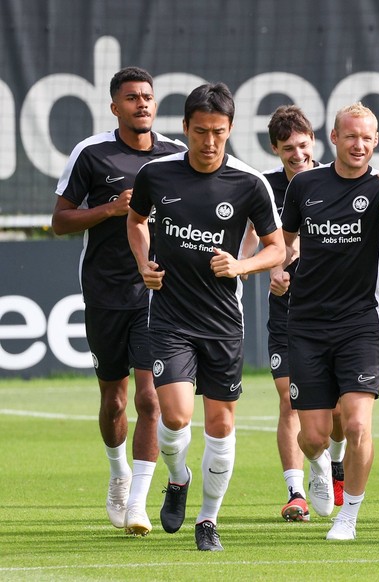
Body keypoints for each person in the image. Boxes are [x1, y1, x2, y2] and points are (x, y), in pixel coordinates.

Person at [127, 82, 285, 551]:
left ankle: (208, 520)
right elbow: (136, 221)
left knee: (220, 425)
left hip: (222, 322)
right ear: (185, 128)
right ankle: (178, 478)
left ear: (231, 129)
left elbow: (275, 246)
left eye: (218, 132)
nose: (209, 141)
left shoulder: (249, 183)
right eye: (200, 132)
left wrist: (241, 265)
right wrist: (144, 264)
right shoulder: (158, 175)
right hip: (172, 317)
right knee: (174, 418)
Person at [51, 66, 186, 537]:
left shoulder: (176, 156)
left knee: (151, 398)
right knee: (115, 402)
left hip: (157, 295)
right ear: (115, 107)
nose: (142, 104)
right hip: (106, 293)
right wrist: (111, 208)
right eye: (132, 98)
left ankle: (138, 503)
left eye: (148, 97)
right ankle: (117, 473)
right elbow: (60, 221)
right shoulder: (92, 153)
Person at [279, 102, 379, 541]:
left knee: (356, 425)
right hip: (307, 323)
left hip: (358, 322)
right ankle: (317, 467)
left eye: (368, 137)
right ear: (333, 138)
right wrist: (279, 268)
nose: (359, 144)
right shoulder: (305, 185)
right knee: (313, 437)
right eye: (351, 136)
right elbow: (287, 240)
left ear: (376, 142)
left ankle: (348, 516)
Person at [249, 105, 348, 522]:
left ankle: (334, 459)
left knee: (338, 412)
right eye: (288, 147)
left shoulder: (335, 179)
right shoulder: (264, 189)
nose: (297, 153)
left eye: (303, 145)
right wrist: (262, 268)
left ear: (315, 142)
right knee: (291, 403)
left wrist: (289, 256)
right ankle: (297, 492)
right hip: (287, 312)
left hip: (334, 309)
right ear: (275, 148)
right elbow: (254, 239)